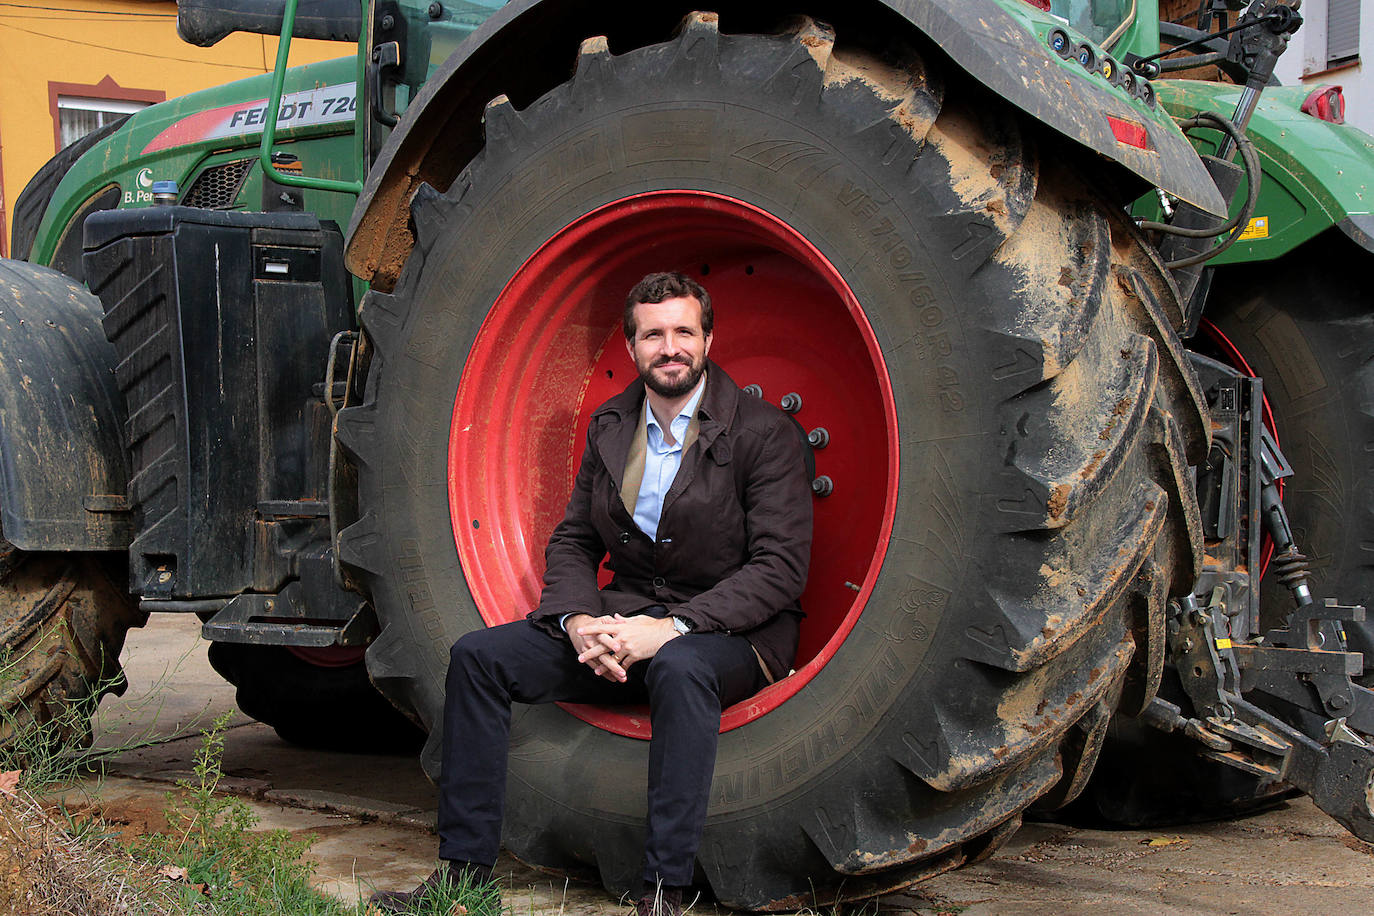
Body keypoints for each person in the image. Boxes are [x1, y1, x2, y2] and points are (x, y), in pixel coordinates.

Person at [370, 271, 813, 916]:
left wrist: (668, 629)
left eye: (683, 332)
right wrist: (578, 619)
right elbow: (575, 538)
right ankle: (462, 881)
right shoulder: (613, 424)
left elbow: (779, 569)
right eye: (652, 334)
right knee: (477, 657)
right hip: (624, 621)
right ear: (631, 347)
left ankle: (666, 894)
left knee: (683, 669)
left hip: (731, 634)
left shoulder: (763, 434)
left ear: (709, 339)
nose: (670, 347)